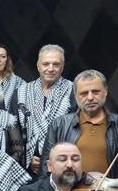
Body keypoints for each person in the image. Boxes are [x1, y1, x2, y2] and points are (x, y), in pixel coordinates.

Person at [41, 69, 118, 178]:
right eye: (84, 93)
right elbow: (45, 167)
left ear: (105, 92)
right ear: (76, 96)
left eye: (95, 92)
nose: (90, 98)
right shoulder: (59, 124)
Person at [10, 44, 76, 175]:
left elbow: (77, 131)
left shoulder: (73, 91)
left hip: (63, 166)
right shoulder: (21, 92)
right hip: (28, 168)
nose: (50, 69)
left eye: (56, 64)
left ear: (62, 67)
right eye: (46, 64)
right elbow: (13, 128)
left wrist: (54, 160)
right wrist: (25, 160)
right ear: (38, 66)